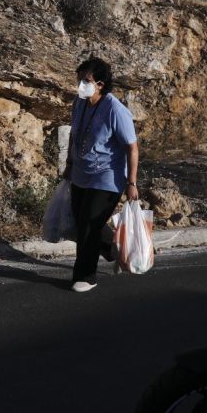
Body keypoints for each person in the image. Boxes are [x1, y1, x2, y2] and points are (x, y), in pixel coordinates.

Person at [61, 56, 139, 293]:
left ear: (101, 84)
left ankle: (86, 276)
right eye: (80, 79)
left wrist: (131, 183)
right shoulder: (80, 102)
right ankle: (110, 247)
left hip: (107, 177)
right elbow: (75, 134)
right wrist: (69, 164)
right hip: (81, 174)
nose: (80, 85)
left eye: (86, 80)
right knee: (80, 220)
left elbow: (132, 147)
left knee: (88, 226)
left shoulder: (115, 110)